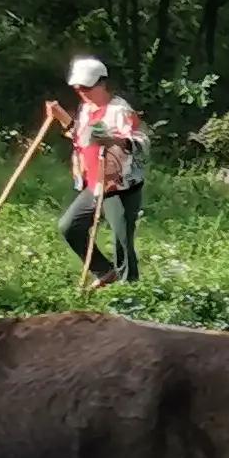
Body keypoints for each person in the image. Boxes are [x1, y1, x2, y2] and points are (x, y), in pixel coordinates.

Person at [59, 56, 145, 286]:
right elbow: (81, 137)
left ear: (102, 83)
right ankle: (105, 271)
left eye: (86, 87)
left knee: (122, 242)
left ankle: (130, 290)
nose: (82, 92)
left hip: (120, 185)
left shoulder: (120, 110)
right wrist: (60, 117)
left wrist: (114, 141)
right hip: (95, 183)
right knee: (69, 227)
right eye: (77, 88)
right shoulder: (86, 109)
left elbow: (141, 142)